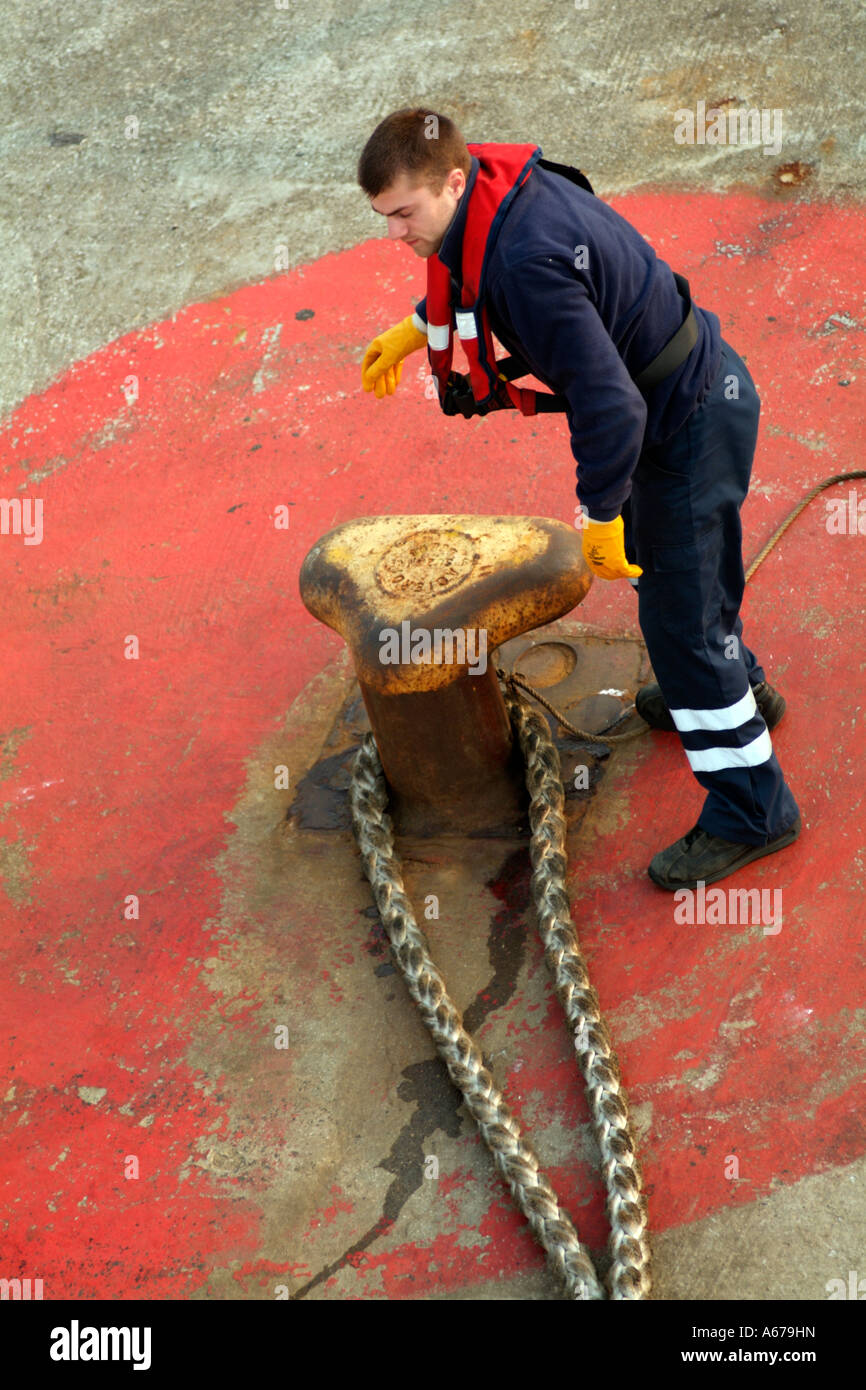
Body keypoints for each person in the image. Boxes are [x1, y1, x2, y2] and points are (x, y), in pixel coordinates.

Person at [356, 107, 801, 890]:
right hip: (698, 386)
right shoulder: (500, 191)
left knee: (680, 624)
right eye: (384, 217)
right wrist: (415, 324)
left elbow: (611, 407)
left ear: (452, 182)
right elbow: (483, 275)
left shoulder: (520, 262)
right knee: (688, 586)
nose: (394, 234)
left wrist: (599, 514)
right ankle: (747, 689)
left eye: (403, 214)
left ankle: (753, 811)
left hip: (682, 422)